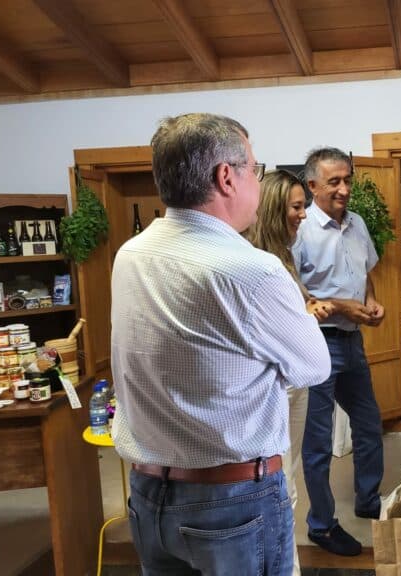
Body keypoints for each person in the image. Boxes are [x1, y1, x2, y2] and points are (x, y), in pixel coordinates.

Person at [110, 113, 331, 576]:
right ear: (226, 177)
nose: (258, 178)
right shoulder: (252, 270)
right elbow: (314, 367)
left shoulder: (130, 255)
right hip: (231, 501)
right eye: (255, 167)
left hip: (150, 493)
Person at [293, 147, 385, 557]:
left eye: (347, 180)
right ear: (312, 185)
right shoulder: (299, 229)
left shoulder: (358, 223)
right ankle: (321, 525)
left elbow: (366, 275)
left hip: (352, 341)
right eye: (334, 181)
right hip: (318, 344)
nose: (344, 188)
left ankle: (368, 501)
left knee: (368, 423)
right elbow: (295, 294)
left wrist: (371, 301)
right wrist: (343, 306)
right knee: (318, 441)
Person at [244, 169, 333, 576]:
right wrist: (306, 319)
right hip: (276, 391)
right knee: (281, 484)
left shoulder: (282, 257)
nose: (302, 215)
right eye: (297, 207)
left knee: (289, 478)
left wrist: (307, 308)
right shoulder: (256, 264)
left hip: (293, 386)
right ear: (275, 208)